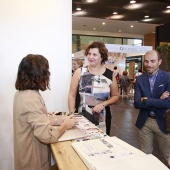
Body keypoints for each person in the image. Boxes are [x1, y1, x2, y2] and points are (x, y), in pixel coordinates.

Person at [13, 54, 78, 170]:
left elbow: (35, 120)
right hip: (32, 159)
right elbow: (47, 136)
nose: (48, 73)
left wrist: (58, 120)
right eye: (46, 70)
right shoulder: (30, 98)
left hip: (27, 152)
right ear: (38, 73)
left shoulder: (22, 94)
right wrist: (65, 125)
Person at [68, 41, 120, 135]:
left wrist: (103, 104)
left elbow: (116, 96)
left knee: (100, 145)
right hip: (81, 116)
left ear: (102, 56)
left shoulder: (109, 75)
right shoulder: (80, 72)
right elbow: (72, 95)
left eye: (94, 54)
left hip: (102, 118)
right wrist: (72, 114)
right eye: (89, 54)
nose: (90, 57)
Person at [134, 50, 170, 166]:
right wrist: (159, 99)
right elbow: (136, 103)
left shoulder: (167, 77)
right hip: (145, 121)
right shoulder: (140, 79)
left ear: (159, 62)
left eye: (152, 61)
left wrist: (146, 99)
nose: (148, 64)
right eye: (146, 61)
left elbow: (167, 103)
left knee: (167, 156)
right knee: (146, 156)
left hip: (163, 122)